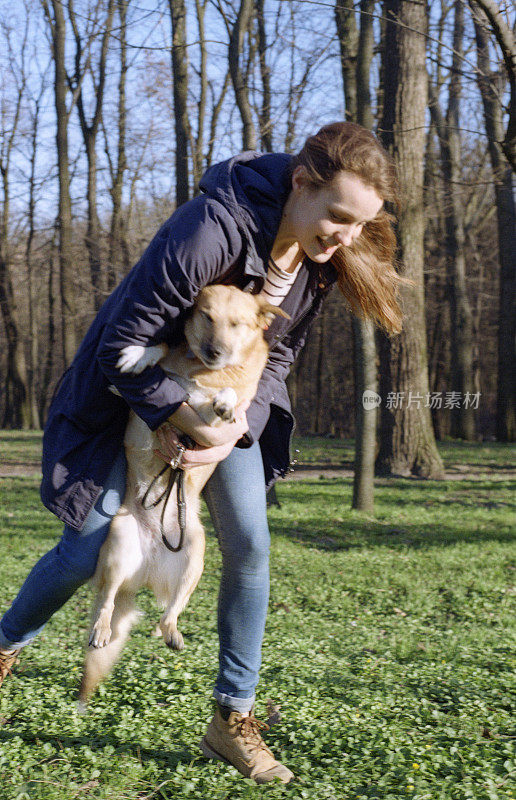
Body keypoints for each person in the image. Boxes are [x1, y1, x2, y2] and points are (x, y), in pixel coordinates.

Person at [0, 122, 402, 784]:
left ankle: (232, 718)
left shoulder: (313, 263)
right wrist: (176, 415)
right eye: (338, 218)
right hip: (126, 396)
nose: (346, 238)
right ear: (301, 183)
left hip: (224, 410)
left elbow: (281, 355)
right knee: (84, 546)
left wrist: (236, 422)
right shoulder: (210, 228)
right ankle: (5, 647)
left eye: (358, 226)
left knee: (251, 541)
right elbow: (120, 346)